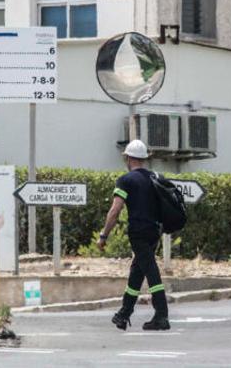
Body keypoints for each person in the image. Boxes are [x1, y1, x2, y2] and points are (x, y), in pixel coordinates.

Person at [97, 139, 169, 331]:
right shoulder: (155, 177)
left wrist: (104, 235)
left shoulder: (126, 180)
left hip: (138, 232)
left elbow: (115, 210)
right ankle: (124, 313)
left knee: (151, 270)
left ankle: (162, 315)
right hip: (155, 231)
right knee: (138, 270)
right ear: (144, 159)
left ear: (128, 158)